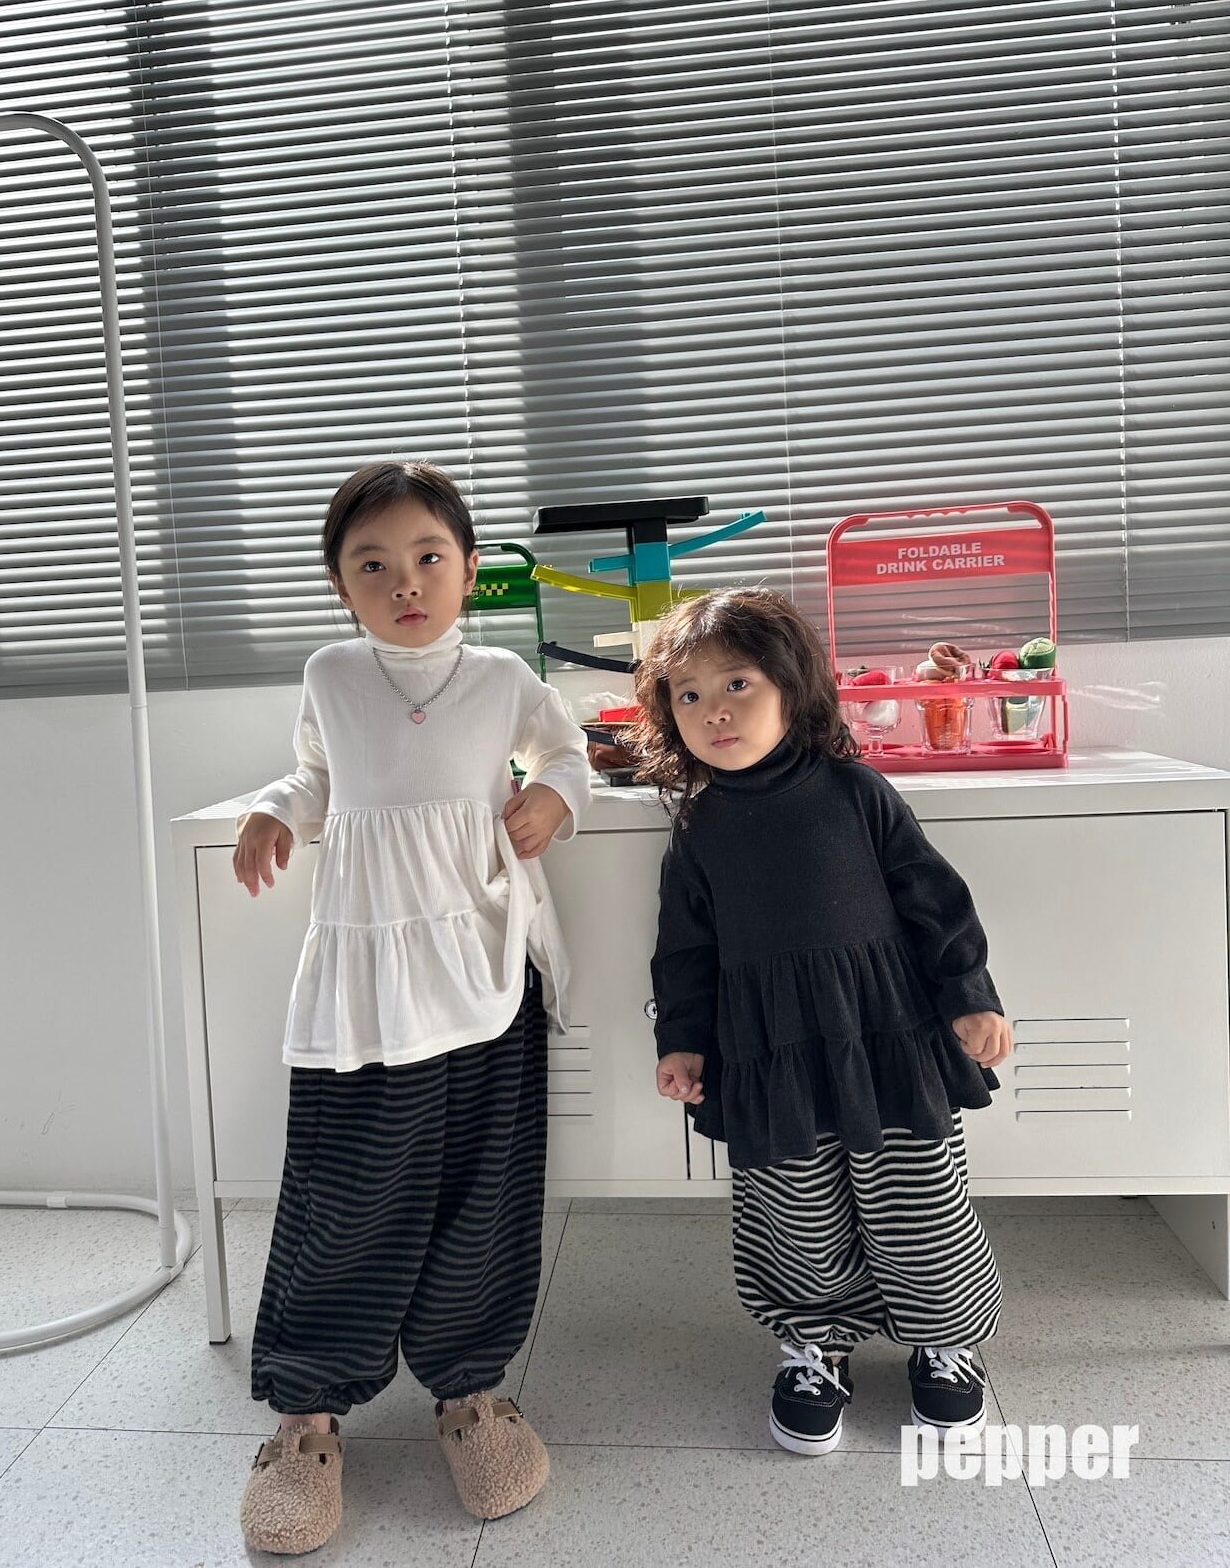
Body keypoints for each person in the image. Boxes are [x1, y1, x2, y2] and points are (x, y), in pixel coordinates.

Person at [233, 461, 592, 1552]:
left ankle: (469, 1391)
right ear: (340, 585)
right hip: (365, 978)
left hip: (482, 965)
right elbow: (315, 776)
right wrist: (275, 809)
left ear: (469, 570)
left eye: (429, 557)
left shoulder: (502, 676)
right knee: (344, 1190)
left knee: (485, 1184)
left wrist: (550, 797)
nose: (405, 582)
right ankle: (306, 1416)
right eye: (373, 564)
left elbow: (567, 750)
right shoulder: (332, 674)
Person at [632, 587, 1011, 1457]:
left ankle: (944, 1339)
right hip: (768, 1050)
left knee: (919, 1199)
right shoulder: (698, 827)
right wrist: (681, 1040)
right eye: (689, 694)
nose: (714, 709)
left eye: (737, 684)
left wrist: (970, 993)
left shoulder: (855, 790)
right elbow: (684, 948)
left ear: (791, 687)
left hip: (886, 1034)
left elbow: (934, 898)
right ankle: (816, 1340)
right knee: (795, 1209)